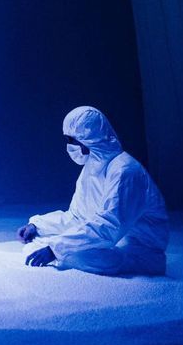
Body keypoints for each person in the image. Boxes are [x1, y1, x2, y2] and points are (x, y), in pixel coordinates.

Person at [19, 106, 169, 276]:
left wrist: (55, 249)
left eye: (71, 140)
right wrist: (38, 225)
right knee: (41, 240)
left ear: (88, 139)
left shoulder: (125, 171)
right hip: (108, 241)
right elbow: (77, 216)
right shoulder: (92, 168)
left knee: (73, 254)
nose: (69, 146)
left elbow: (109, 226)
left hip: (138, 252)